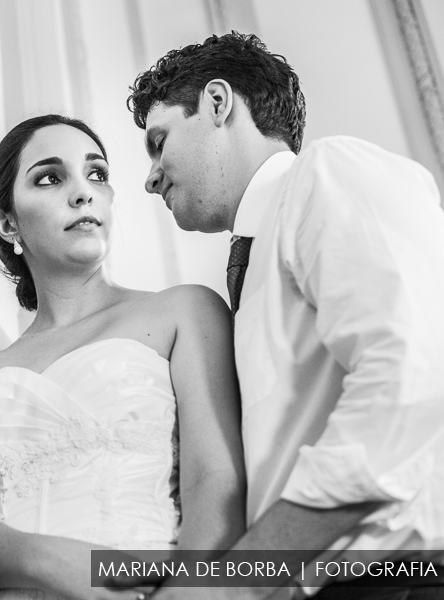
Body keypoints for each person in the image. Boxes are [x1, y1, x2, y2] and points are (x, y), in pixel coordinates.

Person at [129, 32, 444, 599]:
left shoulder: (331, 170)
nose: (150, 177)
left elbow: (413, 380)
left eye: (159, 141)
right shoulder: (247, 275)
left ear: (218, 103)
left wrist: (235, 584)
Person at [0, 114, 246, 600]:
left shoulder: (185, 312)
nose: (84, 192)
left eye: (96, 174)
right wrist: (61, 564)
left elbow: (215, 481)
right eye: (50, 178)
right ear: (7, 222)